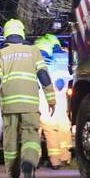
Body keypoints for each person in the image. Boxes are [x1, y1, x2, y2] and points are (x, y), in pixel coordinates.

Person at [0, 19, 55, 178]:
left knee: (10, 140)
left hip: (9, 105)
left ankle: (12, 175)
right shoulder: (34, 51)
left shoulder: (1, 54)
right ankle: (29, 162)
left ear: (7, 34)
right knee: (30, 135)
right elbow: (44, 77)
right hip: (30, 104)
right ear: (22, 32)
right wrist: (51, 99)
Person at [34, 34, 72, 169]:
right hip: (62, 99)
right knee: (63, 126)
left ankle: (43, 160)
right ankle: (65, 157)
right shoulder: (66, 58)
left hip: (44, 98)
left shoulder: (41, 60)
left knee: (45, 128)